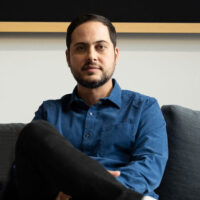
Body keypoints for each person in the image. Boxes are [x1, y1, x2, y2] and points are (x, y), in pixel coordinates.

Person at [12, 13, 168, 200]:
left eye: (100, 47)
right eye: (81, 48)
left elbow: (150, 168)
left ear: (115, 55)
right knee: (33, 132)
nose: (91, 56)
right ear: (68, 58)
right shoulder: (49, 112)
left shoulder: (145, 108)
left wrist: (90, 193)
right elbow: (25, 173)